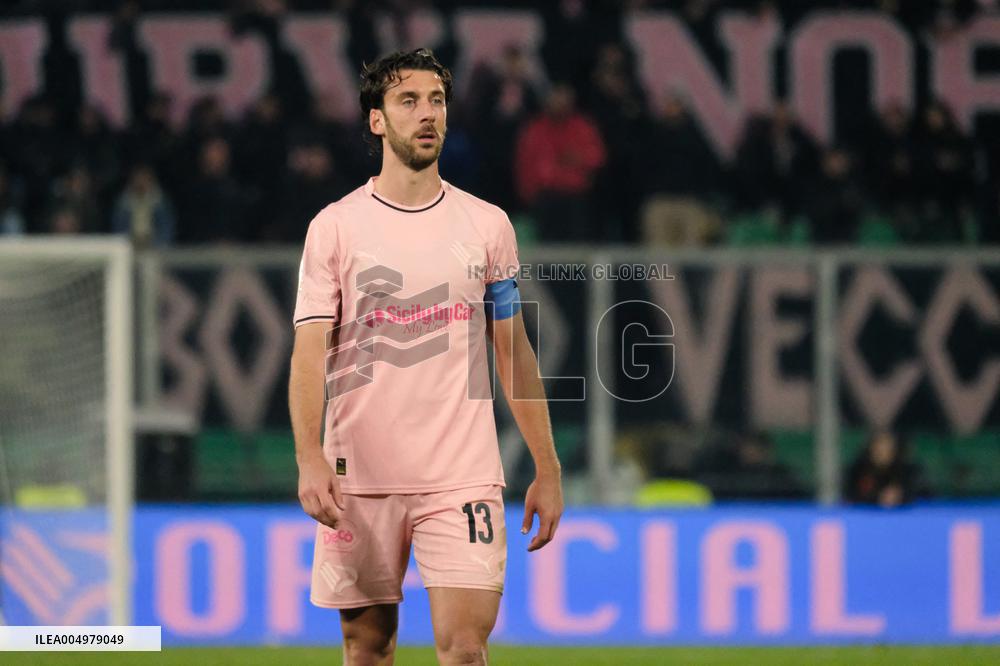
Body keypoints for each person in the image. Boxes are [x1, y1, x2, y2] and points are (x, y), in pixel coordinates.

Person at [288, 48, 563, 665]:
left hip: (461, 475)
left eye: (436, 99)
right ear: (377, 120)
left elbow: (513, 354)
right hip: (360, 475)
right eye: (408, 100)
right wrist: (309, 457)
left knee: (465, 648)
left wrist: (548, 467)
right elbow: (309, 354)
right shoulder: (334, 228)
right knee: (367, 650)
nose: (426, 113)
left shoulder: (488, 225)